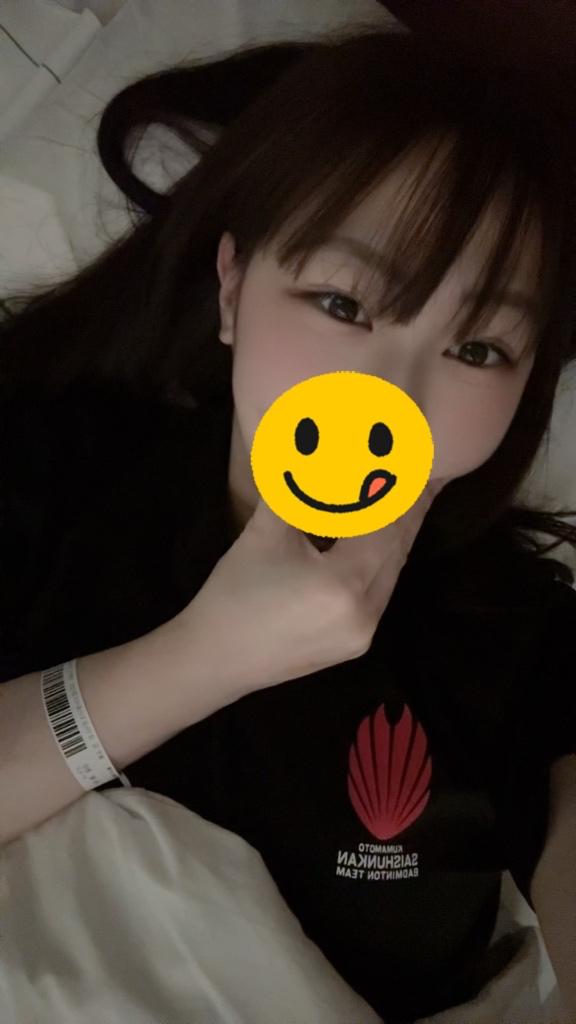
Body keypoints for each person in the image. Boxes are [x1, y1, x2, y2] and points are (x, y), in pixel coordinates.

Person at [1, 24, 576, 1024]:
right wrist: (206, 655)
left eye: (479, 349)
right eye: (342, 303)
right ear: (233, 288)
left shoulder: (525, 638)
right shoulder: (46, 464)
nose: (391, 397)